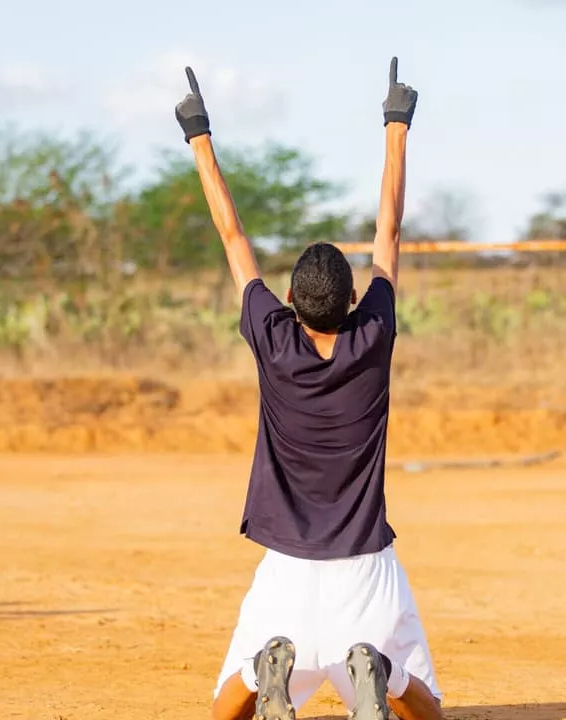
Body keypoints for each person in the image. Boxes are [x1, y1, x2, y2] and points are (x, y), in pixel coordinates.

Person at [174, 58, 444, 720]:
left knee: (221, 711)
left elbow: (233, 235)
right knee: (428, 710)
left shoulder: (274, 339)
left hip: (287, 571)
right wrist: (396, 126)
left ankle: (264, 664)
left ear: (289, 299)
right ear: (356, 301)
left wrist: (198, 134)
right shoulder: (372, 338)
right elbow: (390, 230)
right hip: (366, 568)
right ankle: (381, 671)